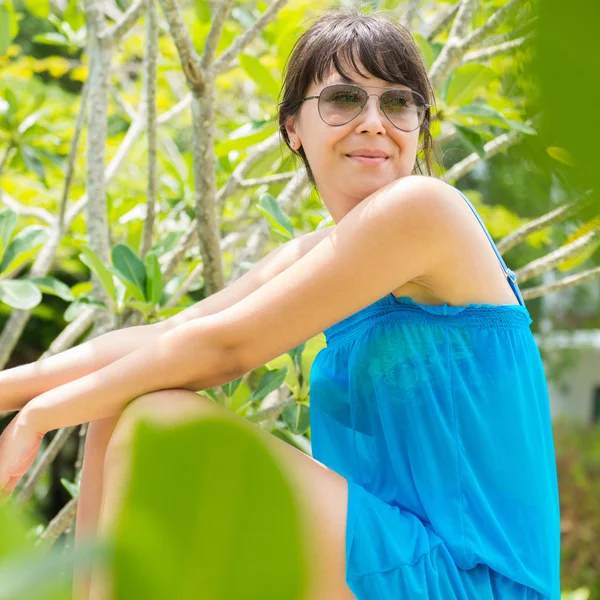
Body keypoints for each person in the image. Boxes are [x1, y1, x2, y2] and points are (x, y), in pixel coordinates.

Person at [0, 7, 560, 600]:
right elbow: (170, 335)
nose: (374, 122)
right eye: (343, 100)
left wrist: (37, 416)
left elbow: (223, 349)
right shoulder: (322, 252)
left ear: (420, 126)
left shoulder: (424, 209)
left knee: (159, 419)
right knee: (127, 393)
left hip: (471, 580)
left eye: (397, 103)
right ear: (294, 126)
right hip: (403, 560)